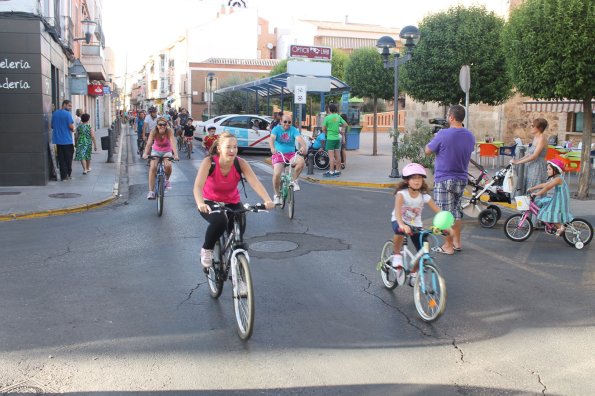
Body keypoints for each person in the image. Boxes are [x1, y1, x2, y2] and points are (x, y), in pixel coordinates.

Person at [193, 132, 275, 271]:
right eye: (228, 147)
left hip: (232, 201)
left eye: (235, 147)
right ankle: (207, 249)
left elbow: (255, 183)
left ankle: (238, 269)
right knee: (220, 221)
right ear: (219, 148)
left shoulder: (240, 163)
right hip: (210, 201)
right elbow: (198, 186)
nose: (232, 150)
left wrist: (267, 200)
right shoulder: (209, 162)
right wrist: (200, 203)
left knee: (238, 232)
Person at [424, 104, 475, 254]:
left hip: (444, 178)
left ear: (451, 117)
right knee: (457, 212)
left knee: (445, 213)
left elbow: (427, 151)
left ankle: (448, 246)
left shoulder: (443, 134)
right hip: (461, 178)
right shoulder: (470, 135)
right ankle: (457, 242)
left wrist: (435, 138)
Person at [390, 163, 443, 286]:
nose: (417, 181)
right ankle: (397, 255)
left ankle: (414, 274)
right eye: (413, 178)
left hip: (416, 225)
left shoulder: (424, 196)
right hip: (399, 221)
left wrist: (446, 225)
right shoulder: (401, 194)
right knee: (399, 231)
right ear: (407, 181)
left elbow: (439, 212)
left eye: (419, 178)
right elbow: (397, 213)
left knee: (424, 250)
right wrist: (402, 225)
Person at [527, 158, 573, 236]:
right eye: (547, 169)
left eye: (549, 169)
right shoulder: (555, 178)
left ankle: (561, 227)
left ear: (555, 170)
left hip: (560, 200)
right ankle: (555, 226)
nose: (547, 171)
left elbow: (547, 188)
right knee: (543, 203)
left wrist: (537, 194)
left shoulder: (558, 179)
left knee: (551, 214)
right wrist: (532, 188)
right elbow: (544, 185)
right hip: (557, 198)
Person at [269, 114, 307, 205]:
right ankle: (277, 195)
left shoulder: (293, 130)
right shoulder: (276, 129)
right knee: (277, 174)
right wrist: (272, 148)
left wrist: (303, 147)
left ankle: (294, 181)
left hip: (291, 154)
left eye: (289, 122)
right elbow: (271, 139)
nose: (287, 124)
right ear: (281, 122)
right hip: (279, 154)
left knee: (301, 162)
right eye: (285, 122)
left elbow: (300, 140)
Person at [142, 117, 179, 199]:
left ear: (167, 125)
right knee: (153, 167)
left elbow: (173, 143)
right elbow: (149, 144)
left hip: (167, 151)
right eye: (160, 124)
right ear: (157, 125)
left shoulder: (169, 131)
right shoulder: (153, 131)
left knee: (168, 165)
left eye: (164, 124)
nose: (162, 126)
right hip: (156, 151)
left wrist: (176, 155)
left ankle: (167, 180)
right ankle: (151, 192)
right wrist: (145, 153)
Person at [511, 118, 548, 194]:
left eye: (533, 126)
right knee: (529, 187)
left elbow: (535, 155)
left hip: (538, 166)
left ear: (539, 128)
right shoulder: (536, 137)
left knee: (535, 187)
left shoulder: (542, 138)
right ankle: (530, 205)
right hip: (531, 165)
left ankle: (537, 205)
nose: (531, 127)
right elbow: (529, 154)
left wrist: (518, 162)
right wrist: (518, 161)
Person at [51, 100, 75, 180]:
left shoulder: (54, 114)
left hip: (57, 141)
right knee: (68, 158)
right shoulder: (67, 114)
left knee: (61, 158)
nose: (70, 107)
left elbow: (52, 126)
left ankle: (63, 175)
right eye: (69, 105)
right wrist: (73, 129)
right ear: (64, 105)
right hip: (67, 140)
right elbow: (71, 126)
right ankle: (68, 174)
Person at [322, 104, 347, 177]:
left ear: (329, 109)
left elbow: (323, 129)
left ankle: (331, 171)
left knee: (331, 157)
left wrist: (327, 132)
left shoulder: (327, 118)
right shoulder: (338, 117)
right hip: (337, 139)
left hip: (330, 139)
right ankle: (338, 170)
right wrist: (341, 129)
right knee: (338, 155)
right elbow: (345, 124)